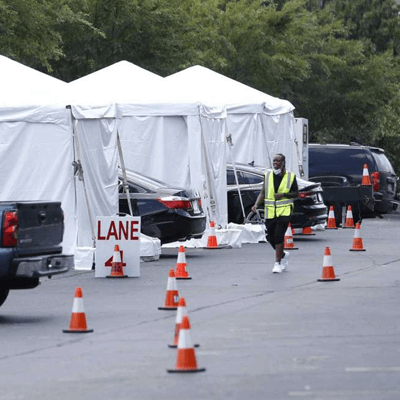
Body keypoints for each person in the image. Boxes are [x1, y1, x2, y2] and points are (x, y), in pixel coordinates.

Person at [252, 154, 298, 273]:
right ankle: (282, 254)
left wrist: (284, 195)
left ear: (283, 162)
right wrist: (256, 204)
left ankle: (277, 263)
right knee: (270, 237)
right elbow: (263, 192)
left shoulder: (290, 177)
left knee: (278, 236)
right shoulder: (268, 176)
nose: (275, 163)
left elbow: (296, 194)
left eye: (278, 161)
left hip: (285, 211)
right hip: (270, 212)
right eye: (274, 161)